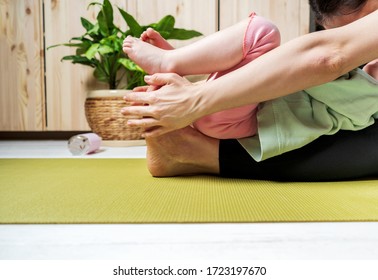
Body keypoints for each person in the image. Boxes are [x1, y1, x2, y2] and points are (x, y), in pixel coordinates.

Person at [121, 0, 378, 181]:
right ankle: (177, 68)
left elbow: (324, 60)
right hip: (237, 120)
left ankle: (172, 64)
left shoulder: (364, 97)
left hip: (239, 118)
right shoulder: (356, 94)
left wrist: (194, 97)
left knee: (262, 32)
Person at [123, 13, 281, 139]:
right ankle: (175, 64)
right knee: (260, 40)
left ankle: (169, 61)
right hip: (225, 119)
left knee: (263, 32)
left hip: (227, 118)